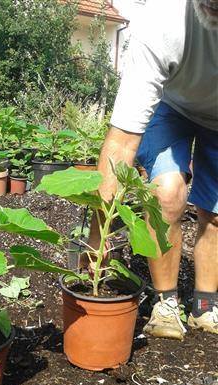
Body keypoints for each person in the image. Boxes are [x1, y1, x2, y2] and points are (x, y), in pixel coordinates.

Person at [89, 0, 218, 340]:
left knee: (217, 215)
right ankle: (166, 302)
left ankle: (205, 306)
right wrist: (95, 245)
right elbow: (121, 143)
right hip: (171, 104)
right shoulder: (162, 21)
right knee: (166, 194)